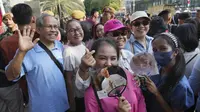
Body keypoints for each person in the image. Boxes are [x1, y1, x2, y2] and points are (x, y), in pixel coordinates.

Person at [5, 14, 69, 112]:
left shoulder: (60, 46)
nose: (53, 30)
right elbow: (10, 76)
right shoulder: (29, 51)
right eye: (49, 26)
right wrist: (21, 52)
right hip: (42, 108)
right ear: (39, 30)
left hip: (63, 106)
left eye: (55, 27)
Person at [76, 38, 146, 112]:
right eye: (102, 58)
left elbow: (140, 99)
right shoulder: (92, 92)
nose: (109, 64)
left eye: (113, 58)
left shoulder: (127, 75)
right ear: (93, 59)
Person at [0, 3, 38, 112]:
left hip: (18, 87)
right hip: (35, 89)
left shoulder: (5, 42)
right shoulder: (41, 37)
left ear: (14, 20)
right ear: (33, 18)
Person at [144, 32, 194, 112]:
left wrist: (157, 94)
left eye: (163, 48)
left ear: (175, 52)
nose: (158, 53)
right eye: (155, 50)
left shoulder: (181, 86)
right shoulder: (156, 70)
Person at [63, 19, 86, 112]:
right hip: (79, 96)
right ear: (67, 35)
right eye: (72, 30)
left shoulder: (83, 45)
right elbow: (68, 80)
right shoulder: (68, 52)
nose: (77, 33)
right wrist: (72, 102)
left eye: (78, 29)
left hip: (87, 92)